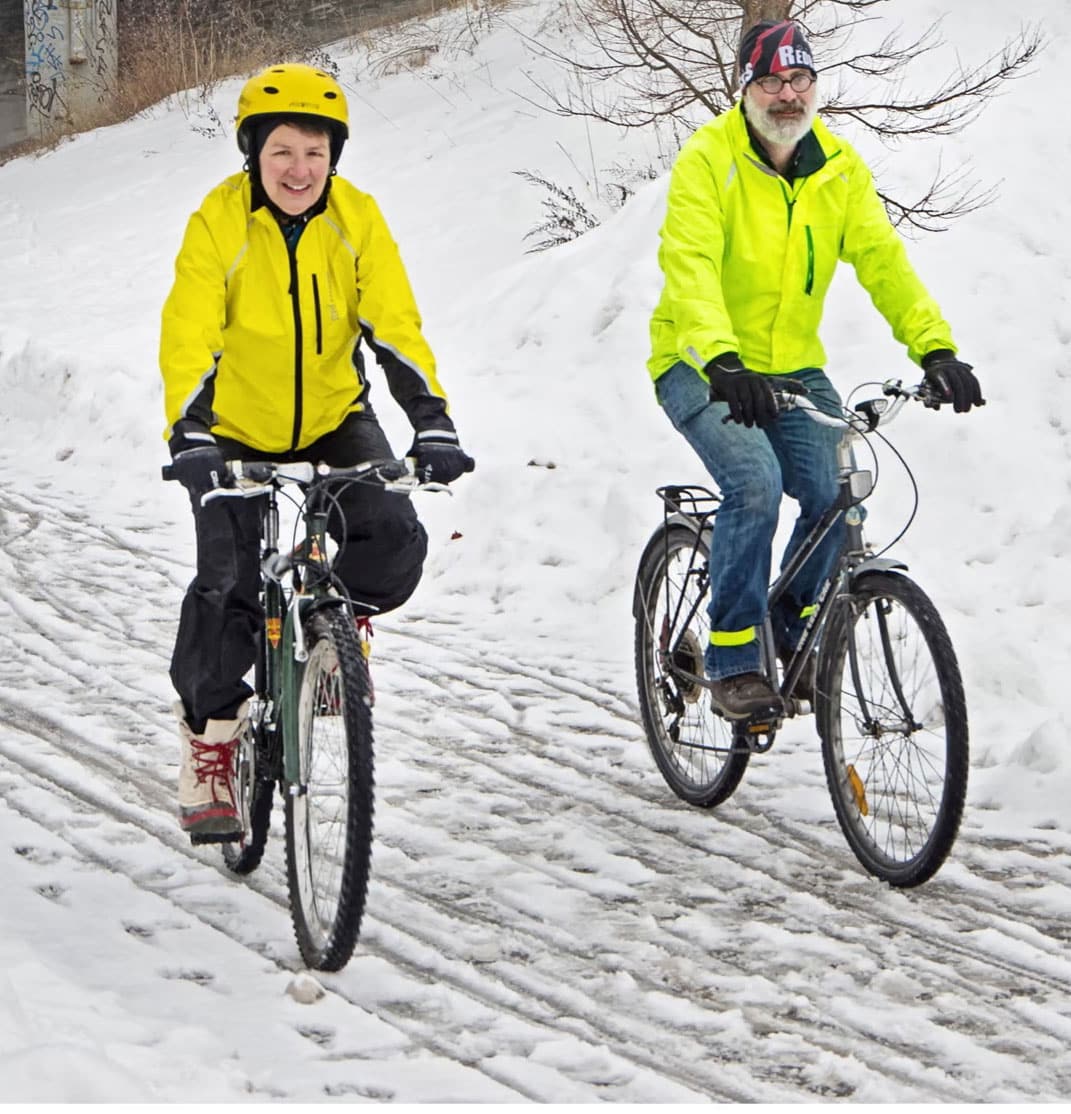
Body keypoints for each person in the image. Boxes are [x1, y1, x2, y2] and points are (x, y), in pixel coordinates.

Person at [160, 63, 474, 842]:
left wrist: (429, 420)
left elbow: (393, 322)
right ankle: (210, 743)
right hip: (233, 423)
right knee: (227, 582)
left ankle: (332, 636)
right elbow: (190, 331)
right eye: (282, 153)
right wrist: (191, 432)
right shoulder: (219, 223)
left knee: (393, 534)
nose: (299, 170)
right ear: (252, 154)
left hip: (334, 416)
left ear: (334, 155)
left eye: (315, 153)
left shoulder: (355, 218)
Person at [647, 20, 983, 719]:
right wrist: (720, 358)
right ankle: (734, 656)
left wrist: (935, 348)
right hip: (700, 364)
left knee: (839, 495)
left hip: (792, 370)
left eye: (798, 79)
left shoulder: (837, 167)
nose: (787, 93)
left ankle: (791, 629)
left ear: (813, 86)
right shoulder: (709, 160)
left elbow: (882, 263)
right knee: (755, 485)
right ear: (746, 88)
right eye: (769, 80)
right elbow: (689, 266)